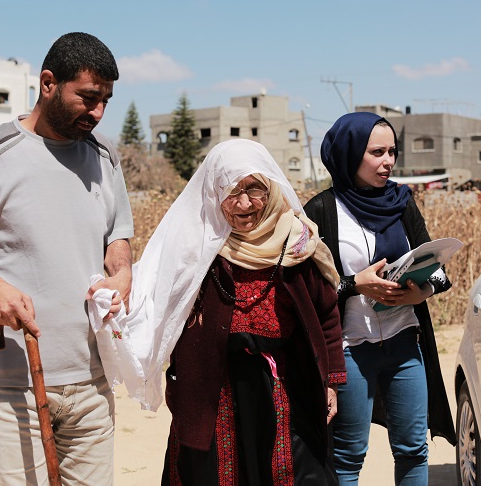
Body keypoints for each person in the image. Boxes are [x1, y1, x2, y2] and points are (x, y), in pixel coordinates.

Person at [0, 32, 134, 485]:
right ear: (48, 83)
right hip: (13, 385)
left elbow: (117, 236)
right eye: (88, 97)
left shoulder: (105, 158)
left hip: (93, 380)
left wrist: (122, 274)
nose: (98, 112)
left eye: (106, 101)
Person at [127, 138, 345, 485]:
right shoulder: (196, 246)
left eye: (255, 189)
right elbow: (149, 296)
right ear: (214, 195)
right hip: (212, 385)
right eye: (230, 192)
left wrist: (331, 381)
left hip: (285, 384)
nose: (244, 203)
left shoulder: (297, 244)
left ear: (271, 190)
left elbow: (327, 315)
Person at [303, 112, 456, 485]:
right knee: (348, 455)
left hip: (405, 344)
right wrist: (356, 284)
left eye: (392, 152)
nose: (388, 161)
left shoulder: (402, 202)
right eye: (377, 152)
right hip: (350, 350)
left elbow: (435, 267)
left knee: (413, 449)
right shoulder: (321, 211)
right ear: (349, 153)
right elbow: (306, 290)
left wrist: (423, 289)